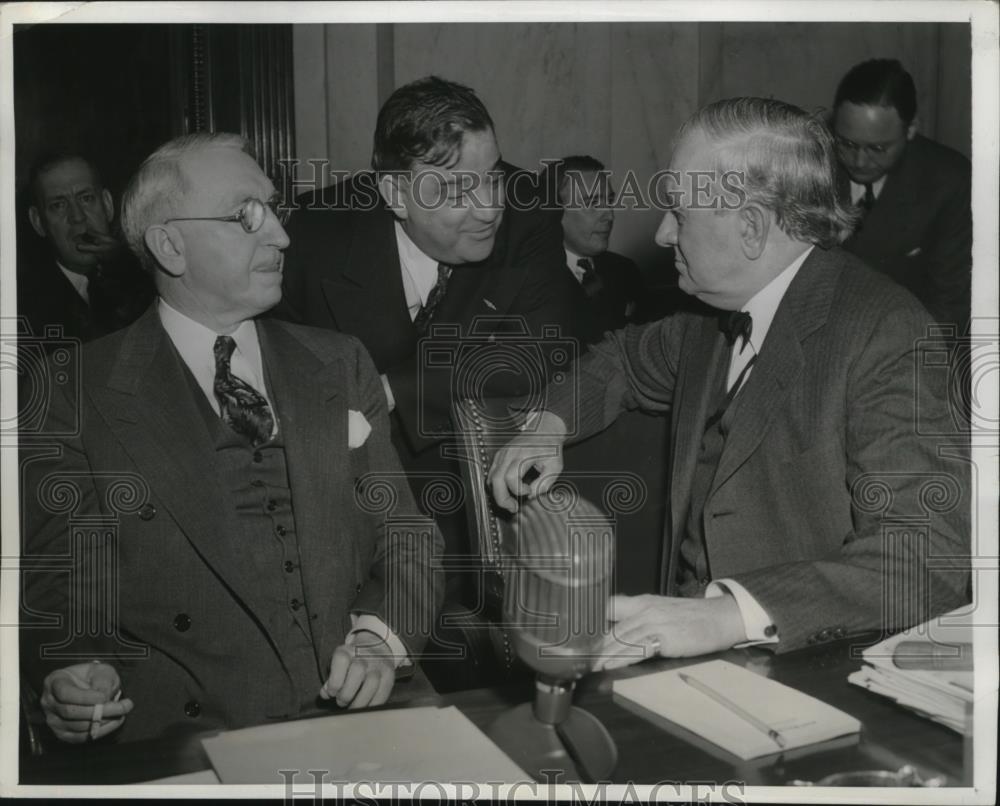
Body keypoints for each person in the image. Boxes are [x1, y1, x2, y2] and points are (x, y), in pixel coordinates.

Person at [489, 97, 970, 667]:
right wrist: (547, 424)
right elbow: (618, 360)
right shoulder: (706, 319)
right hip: (689, 661)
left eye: (679, 213)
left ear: (750, 228)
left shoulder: (884, 331)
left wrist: (724, 614)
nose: (663, 234)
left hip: (807, 667)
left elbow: (926, 558)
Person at [20, 133, 443, 744]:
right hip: (190, 737)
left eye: (273, 209)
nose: (280, 234)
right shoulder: (73, 389)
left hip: (365, 716)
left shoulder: (338, 361)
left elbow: (407, 536)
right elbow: (58, 577)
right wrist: (70, 668)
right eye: (246, 215)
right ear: (170, 245)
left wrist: (380, 640)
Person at [277, 76, 579, 577]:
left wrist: (387, 390)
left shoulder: (530, 215)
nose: (489, 208)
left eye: (493, 176)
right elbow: (282, 370)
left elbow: (540, 353)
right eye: (459, 188)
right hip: (349, 505)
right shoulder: (315, 233)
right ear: (396, 193)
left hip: (479, 496)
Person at [832, 58, 971, 330]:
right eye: (847, 143)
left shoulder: (949, 181)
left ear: (910, 129)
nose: (859, 162)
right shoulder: (806, 162)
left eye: (878, 149)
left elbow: (949, 305)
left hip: (900, 338)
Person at [19, 153, 153, 343]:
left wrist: (127, 266)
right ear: (38, 222)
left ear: (107, 205)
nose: (77, 217)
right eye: (58, 205)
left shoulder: (143, 279)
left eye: (86, 199)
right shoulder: (22, 307)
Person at [542, 155, 647, 344]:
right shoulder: (529, 281)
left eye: (609, 201)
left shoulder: (624, 270)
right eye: (592, 203)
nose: (609, 215)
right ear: (552, 212)